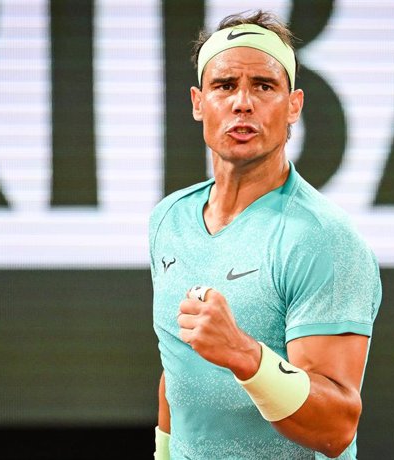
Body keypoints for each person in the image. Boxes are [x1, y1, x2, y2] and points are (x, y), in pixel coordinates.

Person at [149, 10, 382, 459]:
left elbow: (336, 427)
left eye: (264, 86)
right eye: (224, 86)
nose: (242, 103)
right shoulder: (168, 220)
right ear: (198, 103)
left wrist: (242, 354)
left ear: (293, 105)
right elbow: (177, 369)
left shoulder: (324, 239)